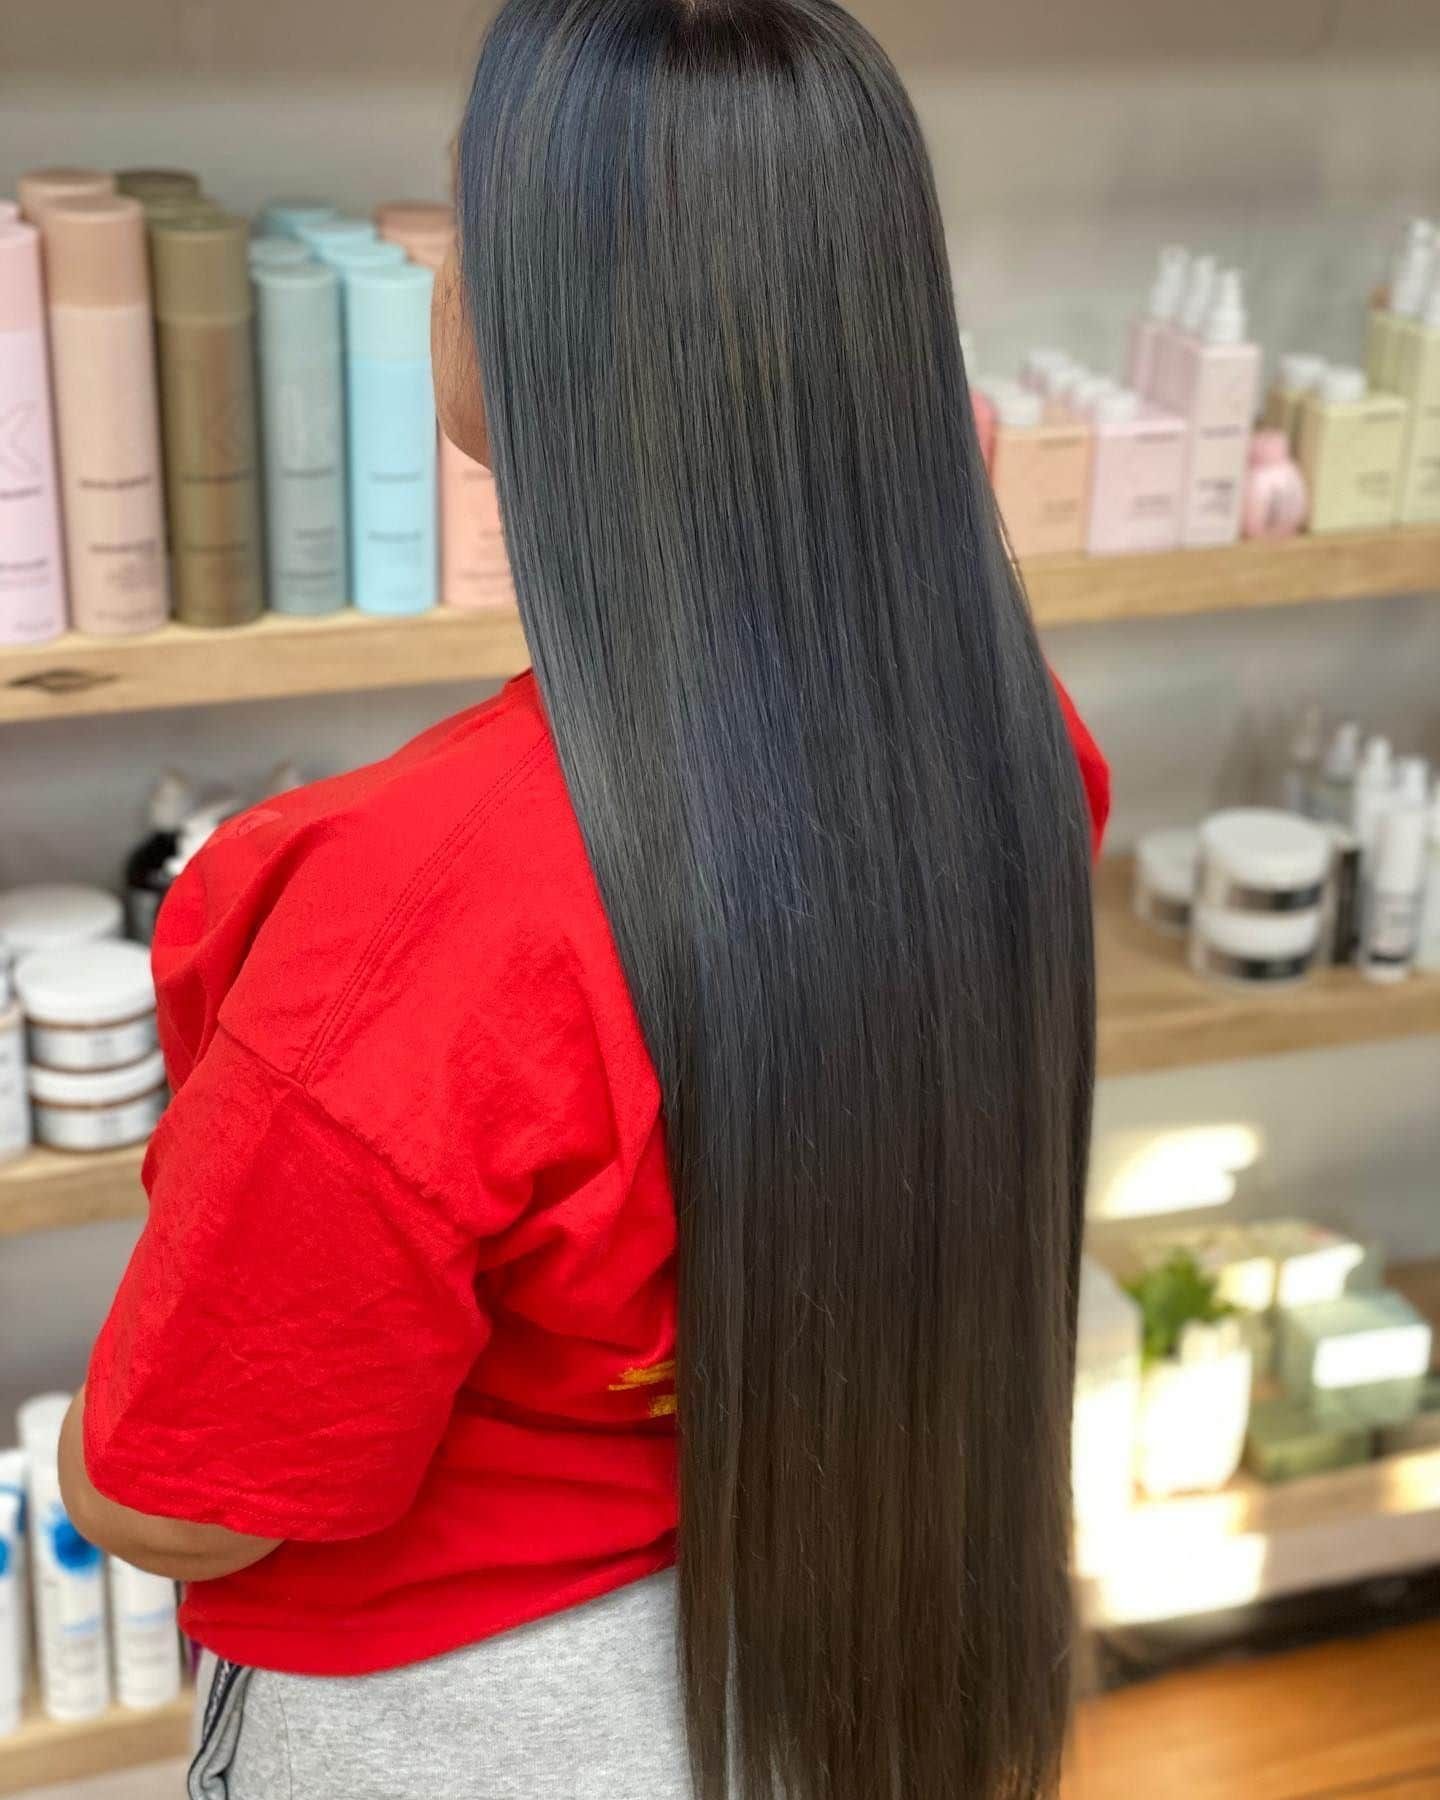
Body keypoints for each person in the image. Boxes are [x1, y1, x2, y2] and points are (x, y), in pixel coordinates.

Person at [59, 0, 1109, 1794]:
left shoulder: (417, 921)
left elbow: (166, 1503)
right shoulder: (1005, 746)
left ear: (539, 314)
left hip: (484, 1721)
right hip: (844, 1648)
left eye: (458, 212)